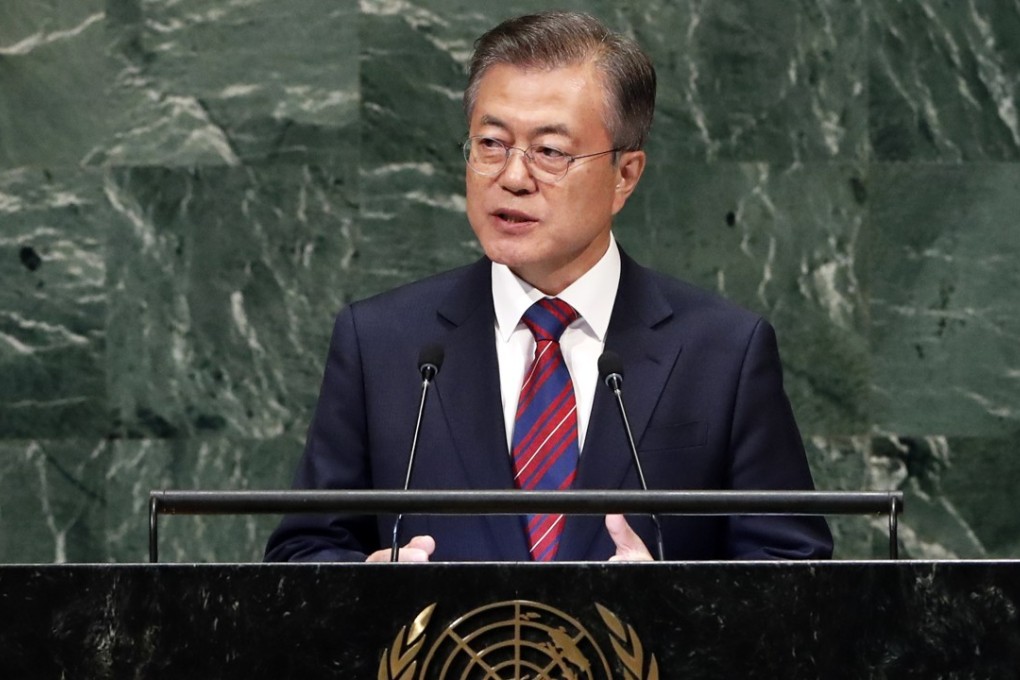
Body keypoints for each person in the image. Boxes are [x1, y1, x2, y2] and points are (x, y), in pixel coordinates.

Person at [264, 11, 832, 563]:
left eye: (550, 152)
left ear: (625, 174)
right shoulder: (383, 342)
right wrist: (368, 590)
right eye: (491, 143)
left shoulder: (723, 351)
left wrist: (674, 607)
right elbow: (303, 552)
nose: (512, 177)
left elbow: (793, 567)